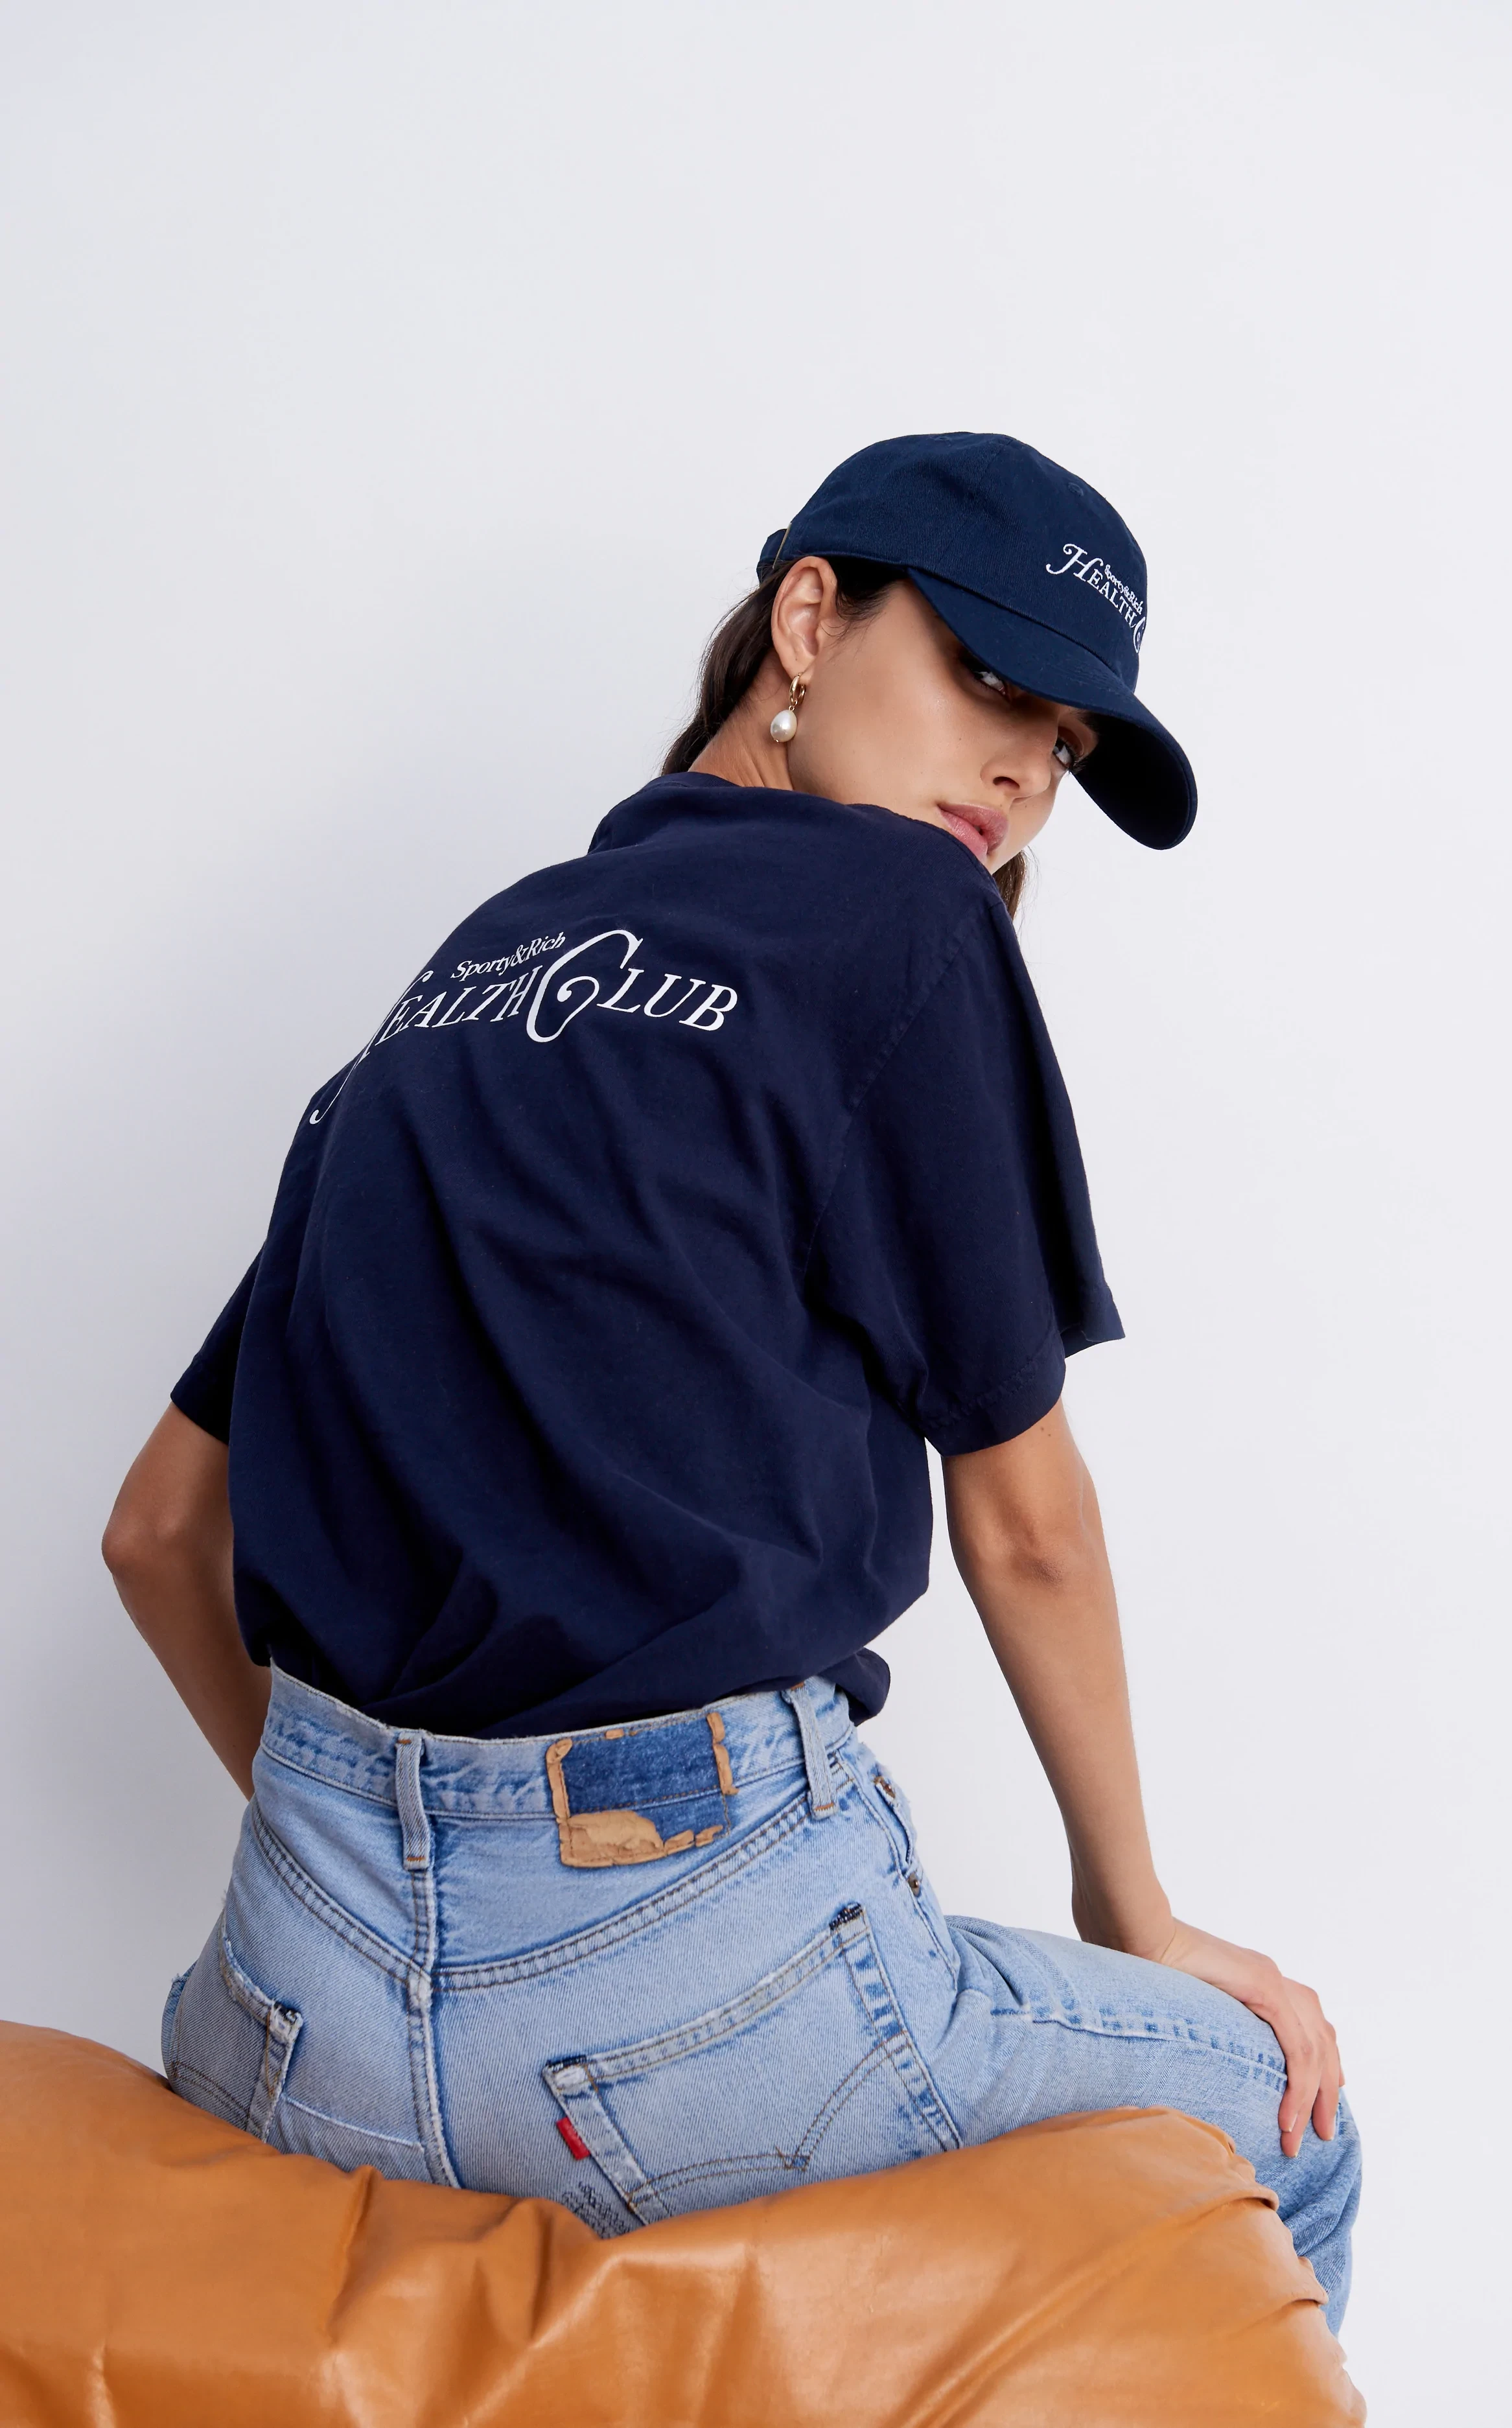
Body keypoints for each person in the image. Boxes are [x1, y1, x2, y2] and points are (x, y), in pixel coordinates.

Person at [104, 432, 1360, 2329]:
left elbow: (153, 1532)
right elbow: (1024, 1523)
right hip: (692, 2007)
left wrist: (398, 1879)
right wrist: (1135, 1919)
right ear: (808, 618)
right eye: (988, 679)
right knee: (1285, 2119)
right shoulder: (899, 918)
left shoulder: (471, 969)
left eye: (1067, 744)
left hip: (294, 2012)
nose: (1024, 772)